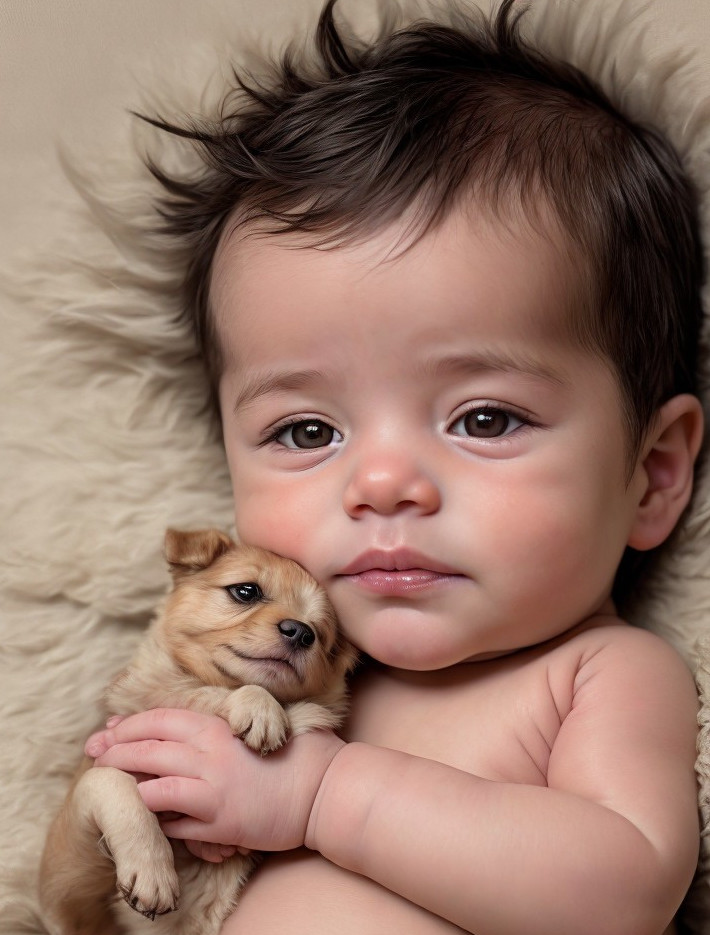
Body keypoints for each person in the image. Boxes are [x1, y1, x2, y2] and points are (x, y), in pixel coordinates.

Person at [84, 0, 706, 931]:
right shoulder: (278, 670)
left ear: (652, 474)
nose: (380, 486)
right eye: (305, 432)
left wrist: (325, 794)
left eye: (484, 415)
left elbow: (621, 889)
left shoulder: (598, 674)